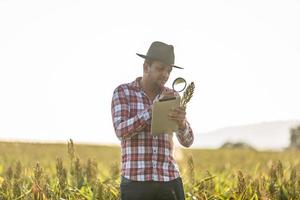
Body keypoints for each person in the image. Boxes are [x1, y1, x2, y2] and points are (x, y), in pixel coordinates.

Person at [111, 41, 194, 200]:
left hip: (169, 180)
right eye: (160, 68)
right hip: (136, 183)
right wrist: (153, 110)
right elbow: (121, 131)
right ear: (146, 67)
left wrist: (182, 124)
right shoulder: (123, 92)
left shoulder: (173, 96)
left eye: (169, 70)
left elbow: (188, 141)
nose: (165, 75)